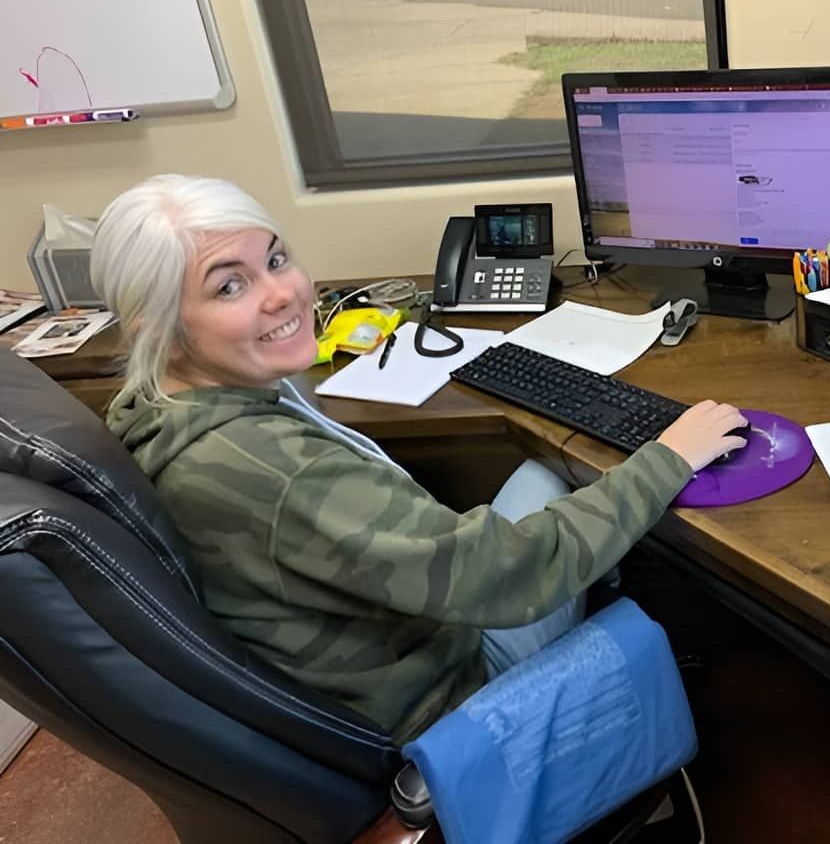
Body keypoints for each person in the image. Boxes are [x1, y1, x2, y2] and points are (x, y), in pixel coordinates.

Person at [90, 174, 748, 744]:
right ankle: (617, 673)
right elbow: (506, 575)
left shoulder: (157, 410)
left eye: (276, 259)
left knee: (545, 475)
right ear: (159, 326)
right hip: (447, 691)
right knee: (575, 486)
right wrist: (667, 458)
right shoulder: (277, 470)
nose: (282, 294)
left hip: (382, 644)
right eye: (229, 288)